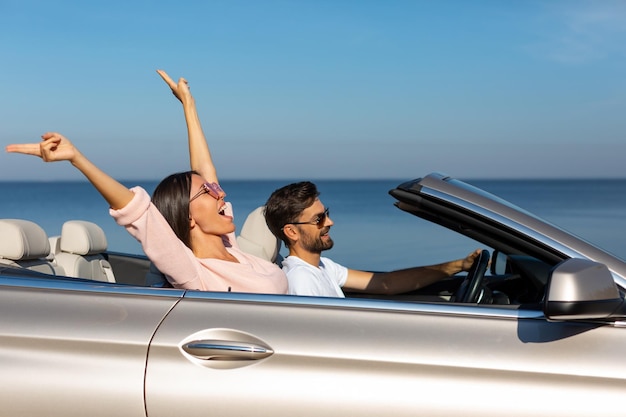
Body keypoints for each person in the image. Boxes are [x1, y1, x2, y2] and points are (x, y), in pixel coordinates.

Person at [5, 70, 288, 294]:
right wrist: (77, 158)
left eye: (215, 189)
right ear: (189, 217)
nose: (220, 193)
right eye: (208, 192)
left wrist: (188, 105)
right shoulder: (193, 271)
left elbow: (204, 170)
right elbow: (138, 212)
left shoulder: (231, 248)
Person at [264, 181, 481, 297]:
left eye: (326, 213)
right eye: (319, 219)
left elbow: (385, 283)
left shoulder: (322, 267)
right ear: (292, 232)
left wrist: (458, 265)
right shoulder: (301, 279)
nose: (330, 222)